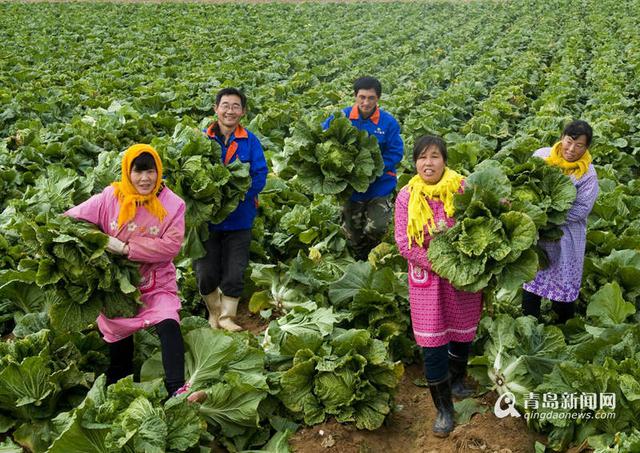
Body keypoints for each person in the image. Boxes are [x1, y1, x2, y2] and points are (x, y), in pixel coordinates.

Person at [66, 144, 203, 402]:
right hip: (115, 285)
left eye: (150, 171)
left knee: (168, 321)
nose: (144, 178)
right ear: (127, 173)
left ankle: (178, 391)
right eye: (138, 172)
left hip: (155, 280)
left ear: (158, 172)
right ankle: (119, 392)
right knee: (118, 340)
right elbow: (71, 220)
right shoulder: (110, 197)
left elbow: (171, 246)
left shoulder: (173, 204)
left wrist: (127, 248)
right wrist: (98, 238)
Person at [394, 136, 482, 437]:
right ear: (415, 162)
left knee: (462, 332)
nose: (427, 163)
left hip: (463, 277)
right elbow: (404, 244)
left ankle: (457, 381)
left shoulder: (462, 187)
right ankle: (444, 409)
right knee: (432, 344)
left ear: (444, 160)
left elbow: (482, 222)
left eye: (434, 156)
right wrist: (443, 263)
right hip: (428, 279)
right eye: (421, 157)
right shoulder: (407, 196)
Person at [195, 88, 268, 331]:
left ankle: (228, 316)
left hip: (240, 217)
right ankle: (214, 312)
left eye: (236, 106)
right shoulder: (201, 140)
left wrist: (235, 195)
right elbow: (189, 174)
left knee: (235, 270)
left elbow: (259, 175)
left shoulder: (250, 140)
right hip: (207, 219)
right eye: (225, 105)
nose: (230, 110)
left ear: (243, 111)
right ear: (215, 109)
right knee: (205, 271)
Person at [522, 120, 599, 323]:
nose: (572, 149)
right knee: (533, 277)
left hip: (566, 236)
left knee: (564, 279)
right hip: (537, 234)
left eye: (579, 145)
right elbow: (524, 182)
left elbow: (581, 209)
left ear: (586, 148)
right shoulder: (541, 156)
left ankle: (565, 327)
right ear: (562, 137)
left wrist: (547, 218)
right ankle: (528, 323)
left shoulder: (588, 174)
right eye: (569, 141)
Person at [323, 76, 404, 261]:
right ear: (355, 96)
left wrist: (374, 170)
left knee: (377, 227)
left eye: (371, 98)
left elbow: (396, 152)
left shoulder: (388, 123)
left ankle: (371, 252)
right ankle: (361, 258)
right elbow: (322, 139)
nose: (366, 102)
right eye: (362, 97)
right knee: (353, 231)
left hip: (379, 185)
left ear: (378, 99)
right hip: (350, 186)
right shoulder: (340, 118)